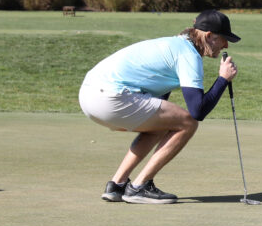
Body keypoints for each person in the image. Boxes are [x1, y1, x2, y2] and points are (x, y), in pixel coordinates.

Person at [79, 10, 241, 203]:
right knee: (188, 123)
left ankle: (117, 184)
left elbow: (160, 100)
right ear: (209, 36)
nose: (226, 45)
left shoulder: (174, 45)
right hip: (112, 96)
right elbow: (197, 111)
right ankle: (139, 187)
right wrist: (223, 79)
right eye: (223, 39)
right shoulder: (188, 54)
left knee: (161, 125)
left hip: (89, 96)